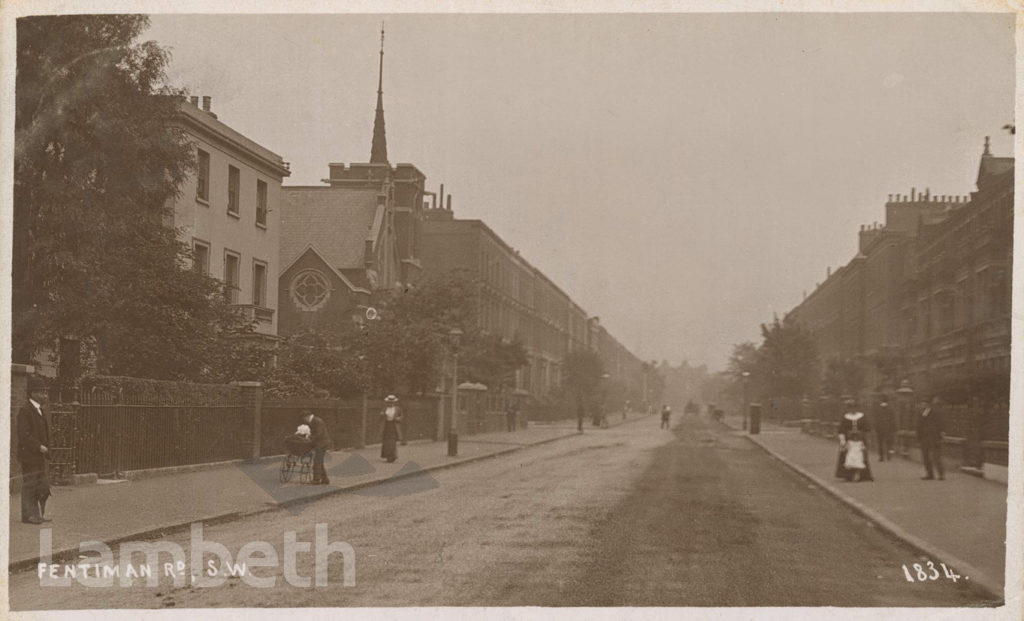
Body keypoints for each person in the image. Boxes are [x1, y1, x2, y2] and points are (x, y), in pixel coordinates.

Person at [18, 375, 52, 523]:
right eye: (41, 392)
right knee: (30, 484)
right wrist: (39, 446)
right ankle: (28, 515)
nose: (44, 395)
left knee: (40, 484)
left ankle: (37, 514)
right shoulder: (25, 410)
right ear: (32, 393)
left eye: (44, 392)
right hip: (30, 455)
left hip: (40, 455)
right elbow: (24, 435)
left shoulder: (40, 410)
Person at [835, 400, 873, 482]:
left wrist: (864, 437)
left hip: (860, 440)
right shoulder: (846, 417)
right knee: (848, 457)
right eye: (851, 408)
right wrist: (843, 441)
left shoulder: (862, 417)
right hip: (849, 441)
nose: (852, 409)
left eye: (854, 407)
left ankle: (861, 474)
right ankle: (849, 475)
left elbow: (867, 429)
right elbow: (841, 430)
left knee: (860, 457)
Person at [917, 396, 945, 480]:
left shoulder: (934, 413)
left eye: (924, 403)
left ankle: (941, 474)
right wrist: (918, 438)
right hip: (924, 438)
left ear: (928, 405)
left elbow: (940, 424)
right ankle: (930, 474)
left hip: (934, 438)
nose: (923, 405)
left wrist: (940, 435)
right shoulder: (921, 414)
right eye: (922, 403)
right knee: (925, 456)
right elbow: (918, 426)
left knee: (936, 456)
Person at [301, 411, 331, 485]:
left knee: (317, 462)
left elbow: (319, 433)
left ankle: (316, 480)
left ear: (307, 416)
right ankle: (325, 479)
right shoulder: (314, 421)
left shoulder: (317, 421)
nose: (305, 421)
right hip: (321, 443)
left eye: (304, 419)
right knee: (319, 462)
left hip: (322, 444)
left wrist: (309, 438)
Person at [381, 395, 403, 463]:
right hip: (386, 426)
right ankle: (387, 456)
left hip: (394, 426)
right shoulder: (385, 408)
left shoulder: (397, 409)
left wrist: (398, 418)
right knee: (386, 441)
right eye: (389, 402)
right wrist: (381, 415)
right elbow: (381, 416)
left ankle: (392, 456)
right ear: (387, 402)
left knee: (392, 442)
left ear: (394, 402)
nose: (390, 403)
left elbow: (401, 416)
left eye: (392, 402)